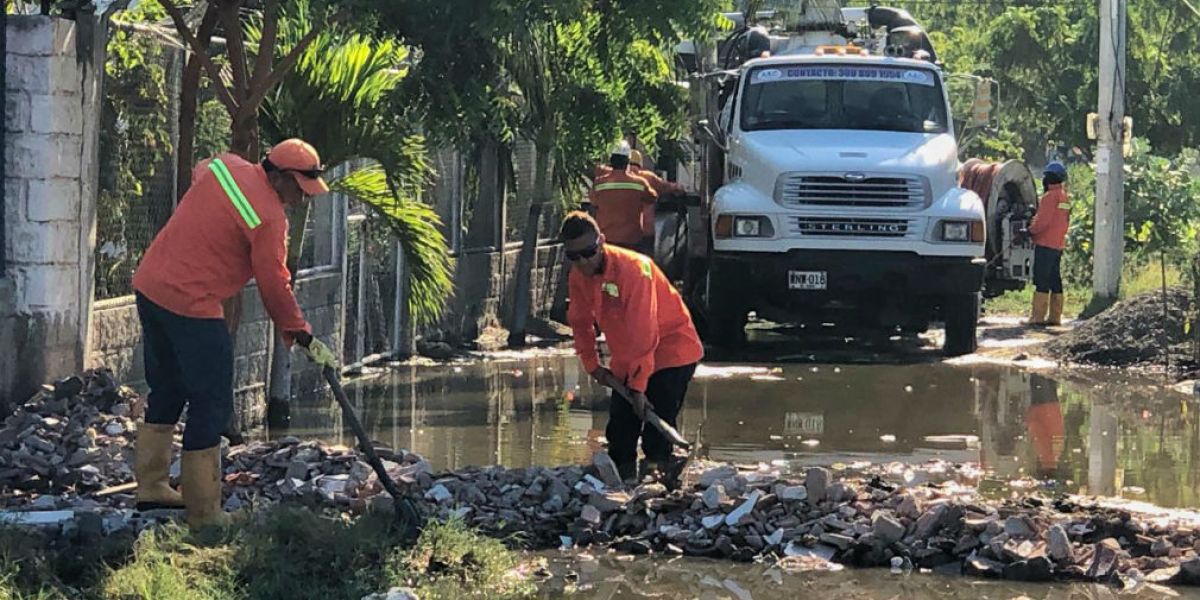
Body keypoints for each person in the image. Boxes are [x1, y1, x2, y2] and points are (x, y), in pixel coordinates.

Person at [131, 139, 339, 528]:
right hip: (191, 303)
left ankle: (152, 486)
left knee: (169, 388)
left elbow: (201, 168)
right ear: (277, 176)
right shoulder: (269, 217)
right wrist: (300, 332)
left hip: (151, 287)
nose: (299, 199)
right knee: (211, 402)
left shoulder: (225, 167)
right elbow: (274, 283)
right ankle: (205, 511)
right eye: (297, 189)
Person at [561, 211, 703, 482]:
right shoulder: (579, 276)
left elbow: (643, 332)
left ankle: (659, 482)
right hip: (628, 357)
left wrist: (638, 388)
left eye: (588, 253)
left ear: (601, 241)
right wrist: (592, 365)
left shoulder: (635, 271)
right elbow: (580, 323)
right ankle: (620, 481)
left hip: (672, 351)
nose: (583, 262)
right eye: (573, 256)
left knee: (655, 428)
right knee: (621, 430)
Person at [590, 142, 657, 252]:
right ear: (627, 162)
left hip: (607, 239)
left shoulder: (599, 183)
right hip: (631, 241)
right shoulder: (640, 183)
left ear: (611, 161)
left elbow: (594, 202)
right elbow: (652, 197)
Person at [1027, 162, 1070, 326]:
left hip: (1045, 243)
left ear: (1050, 178)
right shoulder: (1064, 196)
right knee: (1054, 279)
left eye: (1046, 176)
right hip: (1058, 244)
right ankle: (1055, 317)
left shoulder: (1049, 197)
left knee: (1041, 279)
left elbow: (1042, 221)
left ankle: (1037, 317)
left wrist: (1029, 231)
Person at [628, 149, 684, 257]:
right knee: (646, 265)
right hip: (645, 231)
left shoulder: (618, 179)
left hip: (623, 233)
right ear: (640, 163)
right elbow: (665, 186)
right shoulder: (647, 177)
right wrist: (679, 188)